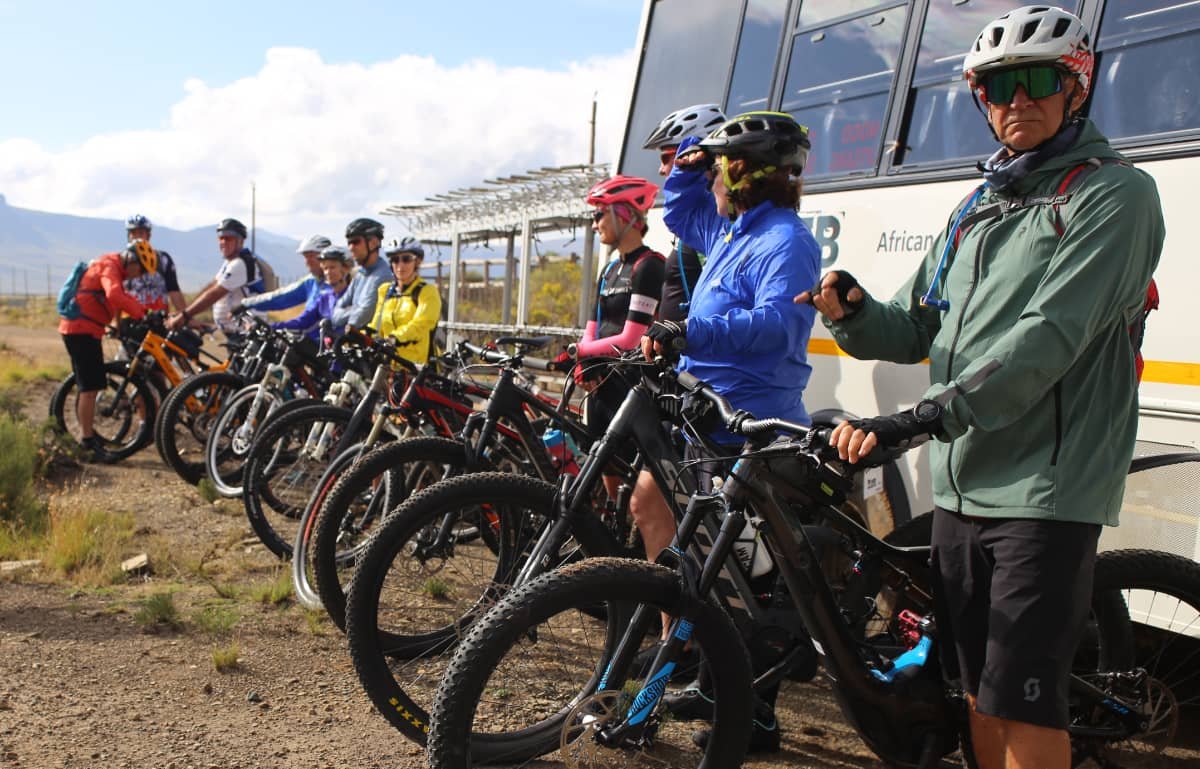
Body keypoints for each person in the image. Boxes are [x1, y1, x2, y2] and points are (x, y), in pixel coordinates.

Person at [795, 8, 1165, 769]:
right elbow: (912, 323)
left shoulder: (1113, 197)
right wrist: (855, 311)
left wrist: (924, 416)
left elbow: (1046, 341)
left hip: (1045, 492)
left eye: (1036, 82)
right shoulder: (979, 207)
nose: (1016, 101)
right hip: (963, 488)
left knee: (1023, 701)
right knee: (975, 692)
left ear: (1076, 89)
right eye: (998, 88)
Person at [642, 110, 820, 753]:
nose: (712, 175)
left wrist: (693, 332)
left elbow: (778, 327)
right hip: (710, 416)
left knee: (753, 578)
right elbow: (679, 218)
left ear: (742, 175)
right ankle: (710, 673)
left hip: (751, 425)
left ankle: (759, 713)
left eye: (720, 165)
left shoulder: (786, 241)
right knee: (703, 554)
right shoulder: (733, 231)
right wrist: (688, 168)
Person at [559, 175, 673, 563]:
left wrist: (581, 350)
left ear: (626, 214)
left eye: (600, 215)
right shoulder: (608, 270)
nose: (595, 224)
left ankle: (643, 565)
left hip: (633, 388)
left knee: (640, 495)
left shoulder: (649, 266)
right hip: (603, 387)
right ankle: (617, 559)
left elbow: (630, 338)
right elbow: (593, 328)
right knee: (607, 477)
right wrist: (581, 356)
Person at [58, 240, 154, 462]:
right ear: (130, 260)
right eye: (139, 269)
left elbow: (114, 300)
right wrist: (142, 314)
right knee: (89, 388)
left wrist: (120, 324)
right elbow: (114, 295)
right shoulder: (109, 266)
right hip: (81, 330)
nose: (137, 276)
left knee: (90, 384)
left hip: (86, 329)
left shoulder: (115, 268)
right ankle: (87, 441)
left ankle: (89, 436)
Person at [642, 103, 726, 323]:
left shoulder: (720, 217)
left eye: (665, 157)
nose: (661, 169)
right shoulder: (702, 213)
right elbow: (675, 213)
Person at [166, 218, 263, 335]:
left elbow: (214, 294)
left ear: (241, 241)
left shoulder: (240, 264)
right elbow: (211, 287)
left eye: (229, 238)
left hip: (247, 333)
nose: (223, 242)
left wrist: (185, 315)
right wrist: (183, 312)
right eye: (221, 238)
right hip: (235, 332)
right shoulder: (230, 263)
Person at [240, 234, 332, 339]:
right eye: (305, 257)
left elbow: (308, 321)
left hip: (321, 346)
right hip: (304, 341)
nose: (307, 262)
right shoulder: (311, 281)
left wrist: (273, 327)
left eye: (311, 256)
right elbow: (282, 296)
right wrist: (246, 303)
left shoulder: (334, 287)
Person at [369, 237, 442, 364]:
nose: (400, 265)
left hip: (416, 368)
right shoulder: (385, 291)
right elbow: (377, 326)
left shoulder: (427, 291)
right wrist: (358, 337)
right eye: (395, 260)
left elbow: (421, 324)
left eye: (406, 259)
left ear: (417, 262)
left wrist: (394, 338)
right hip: (387, 365)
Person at [273, 245, 352, 339]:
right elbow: (303, 321)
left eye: (332, 267)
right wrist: (273, 326)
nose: (328, 272)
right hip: (317, 348)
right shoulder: (324, 298)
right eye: (325, 268)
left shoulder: (354, 298)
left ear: (346, 269)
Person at [331, 217, 393, 332]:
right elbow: (335, 314)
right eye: (349, 243)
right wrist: (355, 309)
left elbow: (361, 317)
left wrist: (349, 310)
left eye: (356, 242)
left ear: (374, 243)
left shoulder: (383, 276)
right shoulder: (360, 275)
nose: (351, 248)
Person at [121, 214, 187, 314]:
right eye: (133, 233)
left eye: (141, 233)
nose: (137, 237)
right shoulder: (120, 260)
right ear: (128, 236)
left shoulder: (163, 259)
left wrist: (185, 317)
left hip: (158, 320)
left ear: (148, 235)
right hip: (129, 320)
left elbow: (174, 291)